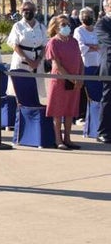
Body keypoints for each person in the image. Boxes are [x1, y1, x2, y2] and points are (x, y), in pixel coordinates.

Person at [44, 14, 82, 149]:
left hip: (75, 81)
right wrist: (71, 78)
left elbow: (80, 60)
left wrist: (80, 77)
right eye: (63, 25)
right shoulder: (53, 42)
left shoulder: (73, 41)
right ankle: (58, 140)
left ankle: (68, 138)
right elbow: (57, 65)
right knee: (58, 111)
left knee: (70, 110)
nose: (67, 27)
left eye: (68, 24)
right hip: (59, 81)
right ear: (56, 27)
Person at [6, 1, 47, 97]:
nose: (28, 11)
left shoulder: (41, 27)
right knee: (19, 92)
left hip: (37, 64)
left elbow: (45, 45)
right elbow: (14, 44)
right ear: (21, 11)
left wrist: (38, 60)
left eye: (31, 9)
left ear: (35, 11)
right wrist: (28, 60)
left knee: (34, 92)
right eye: (25, 9)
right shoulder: (17, 26)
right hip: (21, 63)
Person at [95, 0, 111, 144]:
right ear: (106, 8)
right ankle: (103, 132)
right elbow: (108, 41)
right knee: (108, 101)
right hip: (109, 67)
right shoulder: (102, 23)